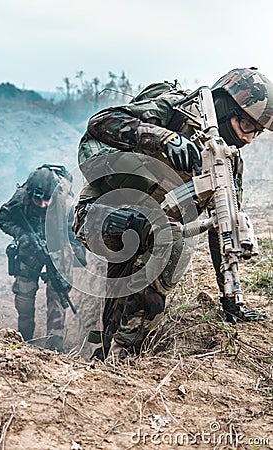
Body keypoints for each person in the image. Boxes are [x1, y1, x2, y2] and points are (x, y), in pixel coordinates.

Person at [73, 67, 273, 361]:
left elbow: (224, 228)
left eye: (257, 132)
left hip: (152, 229)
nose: (248, 139)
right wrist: (163, 139)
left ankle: (113, 352)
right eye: (245, 125)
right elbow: (101, 122)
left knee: (141, 273)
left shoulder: (227, 163)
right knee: (163, 237)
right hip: (101, 214)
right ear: (226, 105)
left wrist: (232, 299)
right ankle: (120, 355)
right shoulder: (175, 110)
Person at [0, 164, 86, 351]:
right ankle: (23, 340)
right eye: (39, 200)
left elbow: (75, 233)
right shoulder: (20, 199)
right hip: (30, 248)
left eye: (47, 200)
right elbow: (2, 218)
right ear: (29, 194)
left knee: (58, 294)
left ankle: (55, 345)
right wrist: (22, 235)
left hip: (58, 247)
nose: (43, 204)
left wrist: (73, 255)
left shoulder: (65, 204)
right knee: (24, 294)